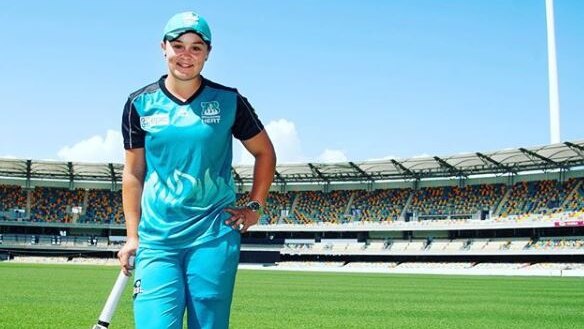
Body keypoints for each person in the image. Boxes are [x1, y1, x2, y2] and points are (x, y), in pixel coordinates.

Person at [117, 11, 276, 329]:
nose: (185, 55)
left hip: (213, 236)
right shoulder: (139, 104)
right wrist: (133, 236)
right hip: (157, 239)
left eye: (196, 47)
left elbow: (265, 153)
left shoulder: (229, 101)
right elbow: (133, 174)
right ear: (163, 47)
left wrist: (255, 207)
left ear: (208, 53)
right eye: (178, 45)